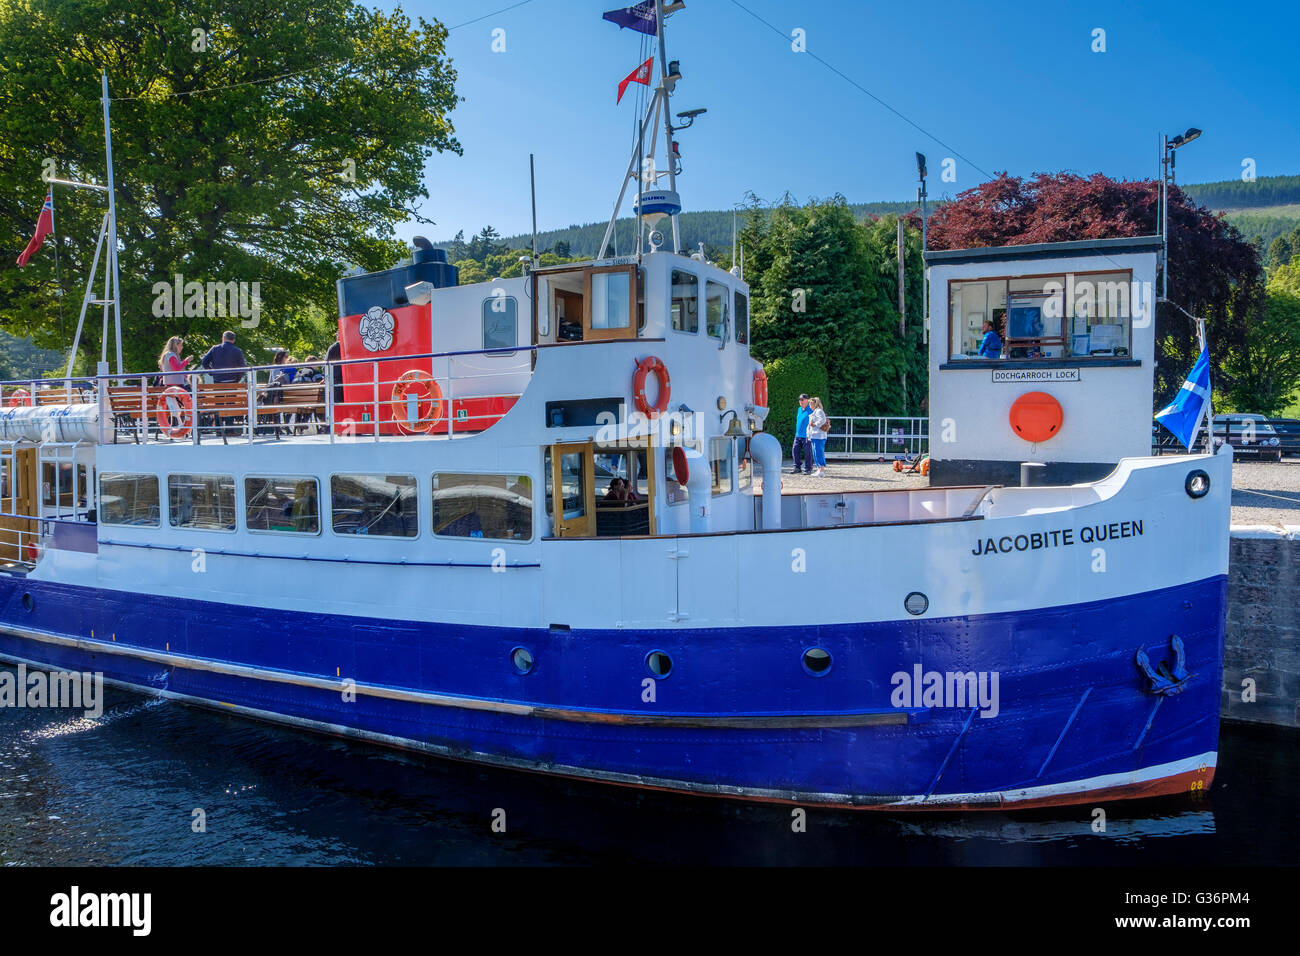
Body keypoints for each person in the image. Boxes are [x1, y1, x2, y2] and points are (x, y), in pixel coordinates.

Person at [807, 397, 830, 477]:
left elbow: (822, 421)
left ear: (815, 403)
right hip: (815, 436)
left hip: (819, 436)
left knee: (819, 453)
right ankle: (819, 469)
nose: (810, 405)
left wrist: (815, 424)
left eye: (811, 403)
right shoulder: (815, 411)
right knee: (815, 453)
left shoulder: (819, 411)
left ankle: (822, 470)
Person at [791, 394, 813, 475]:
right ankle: (797, 467)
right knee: (795, 450)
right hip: (798, 435)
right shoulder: (799, 409)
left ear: (807, 400)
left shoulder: (811, 410)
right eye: (799, 399)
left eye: (803, 399)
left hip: (807, 435)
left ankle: (808, 469)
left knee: (808, 453)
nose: (801, 401)